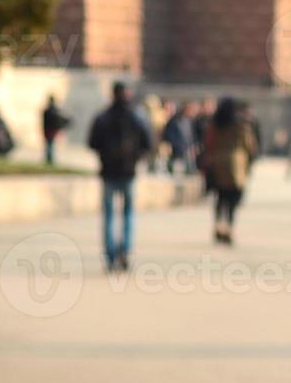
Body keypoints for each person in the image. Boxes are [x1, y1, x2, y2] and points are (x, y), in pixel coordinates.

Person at [87, 82, 153, 273]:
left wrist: (105, 155)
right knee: (128, 215)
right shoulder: (137, 117)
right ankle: (125, 251)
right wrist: (135, 158)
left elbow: (92, 142)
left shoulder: (103, 116)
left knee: (108, 216)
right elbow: (147, 143)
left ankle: (110, 255)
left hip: (108, 172)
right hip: (128, 172)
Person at [201, 98, 260, 245]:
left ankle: (218, 225)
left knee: (220, 197)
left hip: (216, 163)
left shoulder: (214, 124)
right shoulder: (241, 125)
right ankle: (229, 227)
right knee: (233, 199)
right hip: (236, 165)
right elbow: (250, 145)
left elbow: (207, 143)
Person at [162, 102, 196, 174]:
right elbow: (170, 136)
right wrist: (177, 146)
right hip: (177, 151)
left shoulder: (189, 121)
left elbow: (191, 136)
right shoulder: (175, 121)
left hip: (187, 151)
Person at [41, 95, 71, 166]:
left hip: (48, 130)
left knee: (49, 145)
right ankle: (49, 159)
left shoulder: (48, 110)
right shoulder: (54, 110)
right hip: (51, 130)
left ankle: (49, 159)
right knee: (50, 145)